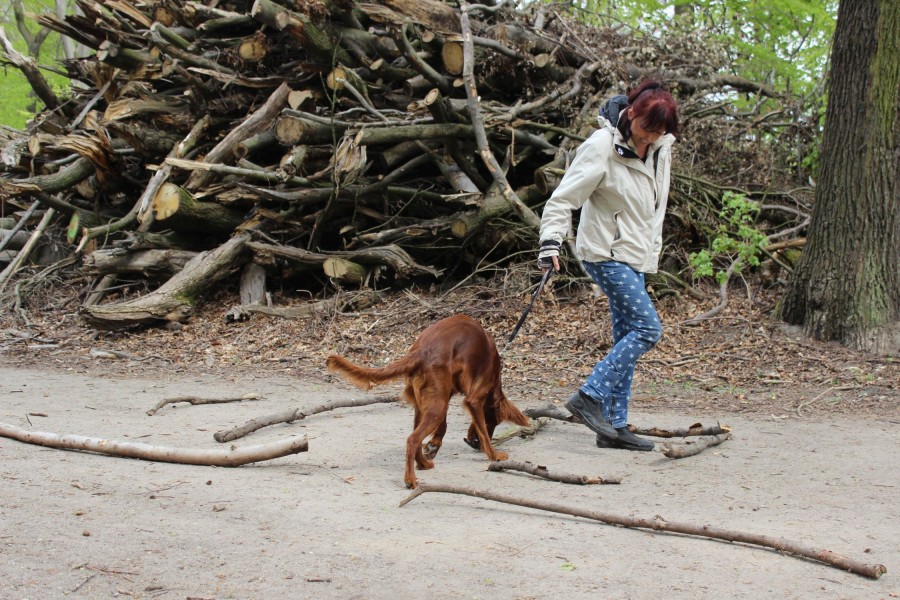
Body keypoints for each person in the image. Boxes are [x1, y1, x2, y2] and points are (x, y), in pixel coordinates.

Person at [537, 79, 679, 451]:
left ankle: (613, 428)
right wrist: (550, 242)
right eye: (646, 128)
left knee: (626, 336)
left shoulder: (660, 149)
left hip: (637, 256)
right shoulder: (601, 147)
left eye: (659, 131)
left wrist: (650, 253)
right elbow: (562, 199)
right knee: (648, 330)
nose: (650, 137)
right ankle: (589, 396)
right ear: (631, 112)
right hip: (605, 254)